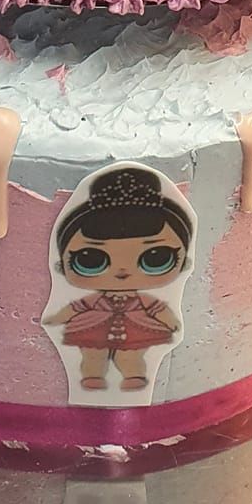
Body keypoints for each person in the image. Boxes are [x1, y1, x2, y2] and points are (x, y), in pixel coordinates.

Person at [44, 166, 193, 393]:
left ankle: (133, 375)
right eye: (90, 259)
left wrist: (171, 321)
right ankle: (93, 376)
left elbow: (158, 309)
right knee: (92, 355)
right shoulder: (94, 301)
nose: (122, 272)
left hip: (135, 327)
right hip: (93, 326)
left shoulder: (143, 301)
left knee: (131, 356)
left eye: (156, 258)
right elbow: (76, 307)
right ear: (61, 264)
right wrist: (56, 318)